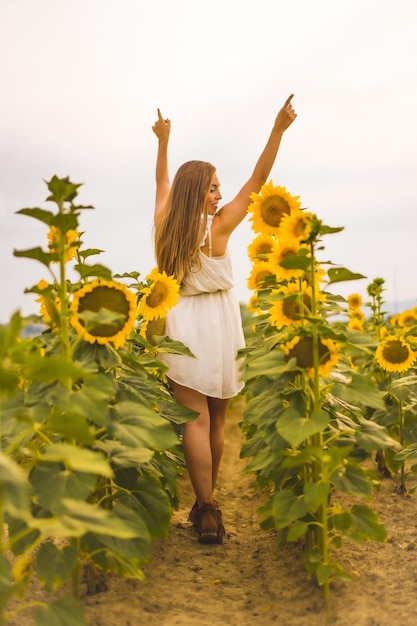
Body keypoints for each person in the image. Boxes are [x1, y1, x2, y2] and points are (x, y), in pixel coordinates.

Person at [152, 95, 297, 544]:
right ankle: (207, 508)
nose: (220, 193)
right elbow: (259, 178)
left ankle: (204, 507)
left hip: (183, 325)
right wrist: (277, 130)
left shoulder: (163, 224)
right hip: (219, 325)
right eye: (214, 187)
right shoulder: (218, 229)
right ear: (199, 191)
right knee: (215, 422)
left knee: (191, 421)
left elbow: (161, 183)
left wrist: (163, 143)